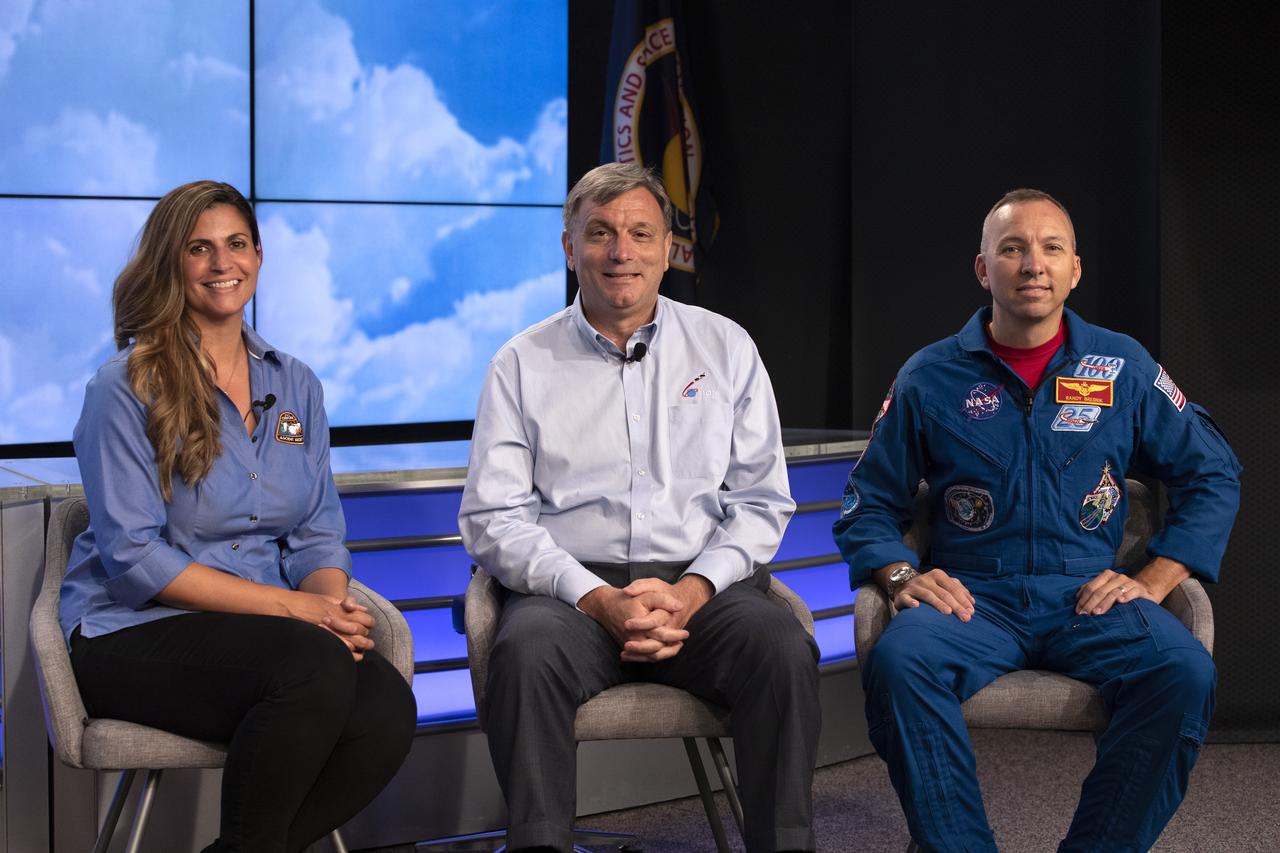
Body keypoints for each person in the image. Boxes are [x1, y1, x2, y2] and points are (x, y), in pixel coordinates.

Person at [833, 188, 1242, 852]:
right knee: (901, 661)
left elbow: (1213, 470)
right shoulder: (929, 376)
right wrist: (902, 571)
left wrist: (1160, 574)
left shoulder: (1123, 366)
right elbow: (867, 502)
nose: (1033, 264)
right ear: (982, 268)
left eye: (1051, 248)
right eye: (1013, 248)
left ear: (1075, 269)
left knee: (1183, 672)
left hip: (1085, 592)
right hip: (973, 596)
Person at [459, 162, 821, 853]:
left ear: (666, 248)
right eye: (599, 233)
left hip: (704, 589)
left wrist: (689, 590)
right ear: (570, 247)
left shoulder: (726, 347)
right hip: (569, 595)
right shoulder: (520, 361)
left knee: (781, 648)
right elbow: (492, 517)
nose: (620, 251)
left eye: (638, 233)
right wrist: (597, 598)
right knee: (524, 650)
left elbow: (761, 501)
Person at [61, 180, 416, 853]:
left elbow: (316, 530)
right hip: (132, 633)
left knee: (386, 708)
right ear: (172, 262)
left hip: (269, 639)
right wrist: (298, 616)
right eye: (199, 248)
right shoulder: (124, 387)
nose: (221, 262)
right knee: (310, 669)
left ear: (258, 254)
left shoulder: (296, 384)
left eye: (234, 244)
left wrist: (329, 612)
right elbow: (137, 557)